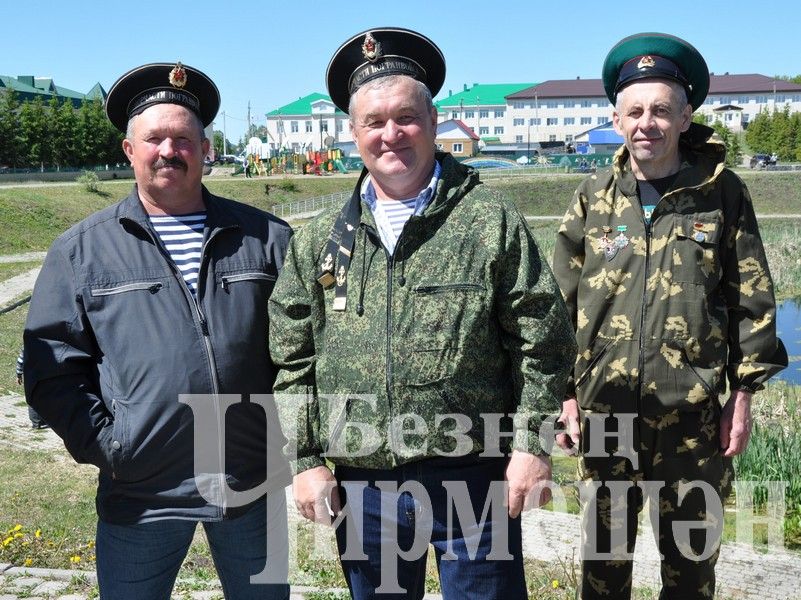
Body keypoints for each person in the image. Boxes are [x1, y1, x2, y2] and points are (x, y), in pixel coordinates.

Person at [269, 27, 576, 599]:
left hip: (474, 479)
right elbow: (292, 359)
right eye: (374, 123)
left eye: (406, 117)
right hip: (363, 488)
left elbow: (544, 339)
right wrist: (305, 459)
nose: (391, 135)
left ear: (434, 123)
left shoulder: (490, 221)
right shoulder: (320, 243)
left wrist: (533, 446)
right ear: (353, 135)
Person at [23, 62, 291, 600]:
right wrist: (112, 445)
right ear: (129, 150)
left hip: (248, 483)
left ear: (206, 148)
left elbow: (302, 352)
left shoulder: (266, 238)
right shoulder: (82, 250)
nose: (169, 150)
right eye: (154, 138)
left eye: (183, 138)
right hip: (142, 492)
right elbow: (51, 368)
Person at [552, 33, 788, 599]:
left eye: (661, 110)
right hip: (605, 410)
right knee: (602, 568)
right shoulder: (593, 196)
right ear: (615, 118)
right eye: (634, 111)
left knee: (689, 568)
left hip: (693, 418)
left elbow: (751, 299)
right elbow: (558, 303)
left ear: (686, 116)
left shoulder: (722, 193)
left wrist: (744, 397)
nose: (646, 124)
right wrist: (564, 395)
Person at [15, 347, 47, 429]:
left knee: (33, 397)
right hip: (42, 374)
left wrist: (18, 375)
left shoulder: (28, 343)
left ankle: (38, 421)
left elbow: (20, 360)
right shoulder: (45, 344)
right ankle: (37, 422)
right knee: (38, 397)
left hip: (30, 374)